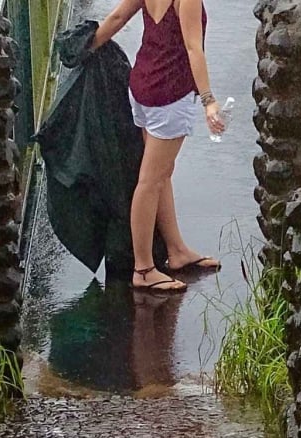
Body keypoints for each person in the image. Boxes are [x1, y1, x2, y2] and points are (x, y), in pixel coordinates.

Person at [91, 0, 226, 293]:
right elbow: (193, 49)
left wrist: (84, 49)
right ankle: (144, 269)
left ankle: (176, 250)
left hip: (141, 87)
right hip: (169, 96)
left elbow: (116, 18)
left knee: (160, 173)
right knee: (150, 182)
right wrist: (208, 101)